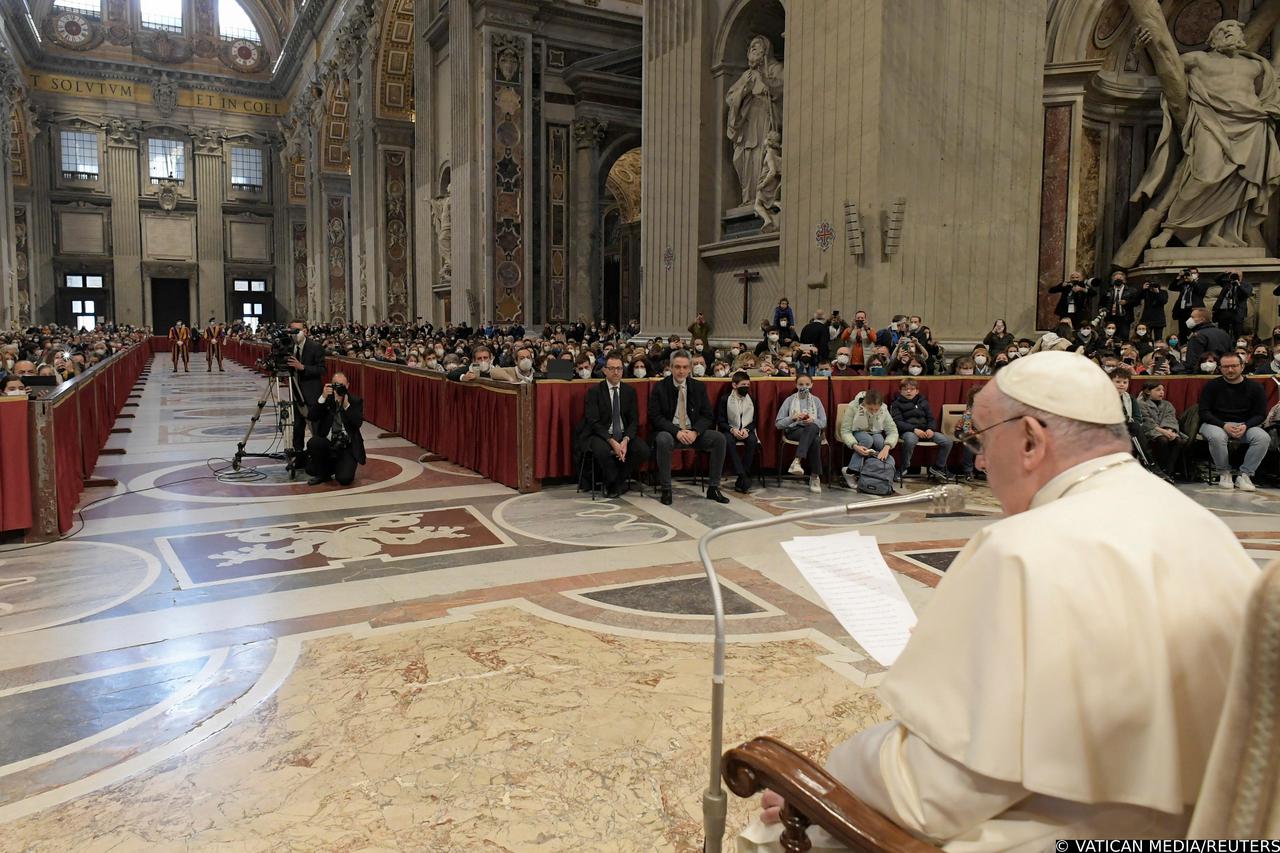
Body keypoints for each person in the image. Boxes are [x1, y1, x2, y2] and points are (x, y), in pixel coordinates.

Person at [740, 350, 1258, 852]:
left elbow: (930, 798)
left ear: (1031, 440)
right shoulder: (1202, 525)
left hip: (1079, 834)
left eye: (982, 441)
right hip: (1203, 830)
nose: (981, 461)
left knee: (777, 832)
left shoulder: (1022, 551)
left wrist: (824, 778)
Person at [648, 349, 730, 506]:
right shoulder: (660, 387)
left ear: (690, 368)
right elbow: (656, 417)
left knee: (719, 438)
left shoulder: (698, 387)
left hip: (693, 433)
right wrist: (676, 432)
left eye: (685, 367)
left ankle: (713, 488)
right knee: (663, 439)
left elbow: (707, 416)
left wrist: (695, 432)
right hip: (670, 432)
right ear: (671, 367)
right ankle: (666, 488)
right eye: (677, 367)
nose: (681, 371)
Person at [1198, 350, 1272, 491]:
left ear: (1242, 366)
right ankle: (1224, 473)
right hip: (1215, 423)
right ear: (1220, 368)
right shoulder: (1211, 386)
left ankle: (1245, 475)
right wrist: (1223, 425)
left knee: (1263, 438)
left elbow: (1260, 414)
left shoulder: (1255, 387)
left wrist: (1246, 425)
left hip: (1245, 425)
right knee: (1217, 437)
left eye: (1234, 366)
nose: (1230, 370)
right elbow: (1204, 412)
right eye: (1225, 367)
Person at [582, 352, 651, 498]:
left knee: (643, 450)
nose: (616, 372)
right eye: (612, 368)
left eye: (619, 368)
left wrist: (625, 440)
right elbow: (593, 421)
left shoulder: (630, 391)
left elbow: (634, 421)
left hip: (624, 434)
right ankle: (612, 481)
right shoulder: (594, 392)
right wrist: (612, 441)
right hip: (601, 435)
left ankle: (617, 480)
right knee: (601, 451)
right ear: (604, 370)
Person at [305, 371, 366, 486]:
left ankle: (337, 466)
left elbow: (358, 423)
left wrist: (347, 406)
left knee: (344, 479)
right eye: (336, 385)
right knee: (315, 442)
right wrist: (322, 397)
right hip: (327, 442)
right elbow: (311, 416)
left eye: (342, 385)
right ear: (331, 385)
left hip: (347, 445)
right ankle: (323, 474)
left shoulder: (355, 401)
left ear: (348, 385)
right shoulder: (326, 400)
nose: (340, 388)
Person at [775, 373, 827, 493]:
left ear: (812, 385)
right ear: (796, 385)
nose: (804, 387)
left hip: (811, 429)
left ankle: (797, 460)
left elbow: (823, 422)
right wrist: (792, 418)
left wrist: (812, 420)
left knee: (814, 433)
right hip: (794, 430)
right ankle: (815, 476)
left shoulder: (816, 401)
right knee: (814, 437)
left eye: (807, 384)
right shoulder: (789, 400)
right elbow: (778, 424)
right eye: (801, 384)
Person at [890, 378, 952, 480]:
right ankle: (904, 467)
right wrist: (914, 429)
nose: (908, 391)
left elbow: (931, 418)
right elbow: (897, 422)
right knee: (910, 440)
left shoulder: (923, 401)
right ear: (901, 391)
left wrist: (930, 429)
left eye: (912, 389)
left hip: (926, 431)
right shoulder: (896, 404)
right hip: (908, 431)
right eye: (905, 389)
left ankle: (938, 467)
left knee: (947, 441)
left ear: (917, 391)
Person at [838, 389, 898, 484]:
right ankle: (851, 471)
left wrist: (887, 447)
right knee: (867, 439)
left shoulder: (884, 408)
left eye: (876, 409)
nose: (874, 412)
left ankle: (875, 474)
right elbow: (845, 431)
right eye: (870, 409)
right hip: (857, 431)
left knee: (880, 442)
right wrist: (855, 446)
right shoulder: (853, 406)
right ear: (864, 403)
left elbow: (893, 431)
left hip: (875, 432)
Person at [285, 320, 326, 459]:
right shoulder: (289, 346)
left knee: (315, 426)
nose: (294, 334)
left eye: (297, 330)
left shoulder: (315, 347)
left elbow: (322, 369)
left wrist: (303, 367)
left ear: (305, 331)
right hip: (295, 391)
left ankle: (318, 456)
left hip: (311, 393)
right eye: (292, 331)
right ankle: (298, 455)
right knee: (297, 426)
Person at [716, 370, 760, 494]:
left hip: (746, 429)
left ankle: (742, 476)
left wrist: (747, 429)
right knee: (728, 441)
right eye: (743, 385)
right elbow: (720, 420)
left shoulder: (752, 400)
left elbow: (755, 420)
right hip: (730, 429)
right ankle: (742, 475)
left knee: (752, 440)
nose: (746, 388)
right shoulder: (725, 399)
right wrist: (732, 429)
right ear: (734, 385)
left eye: (747, 385)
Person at [1137, 381, 1189, 479]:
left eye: (1162, 390)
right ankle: (1159, 470)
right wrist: (1164, 432)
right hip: (1149, 430)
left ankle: (1168, 471)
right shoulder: (1141, 404)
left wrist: (1170, 430)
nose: (1161, 392)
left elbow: (1171, 418)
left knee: (1178, 440)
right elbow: (1146, 421)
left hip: (1167, 430)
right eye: (1158, 390)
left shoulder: (1167, 404)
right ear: (1148, 391)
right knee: (1162, 440)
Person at [1182, 307, 1232, 373]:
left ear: (1202, 319)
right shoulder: (1224, 333)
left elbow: (1192, 361)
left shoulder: (1198, 336)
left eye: (1193, 317)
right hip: (1222, 372)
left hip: (1202, 373)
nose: (1190, 319)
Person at [1211, 271, 1252, 341]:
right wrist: (1225, 273)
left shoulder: (1246, 285)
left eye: (1237, 275)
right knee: (1222, 333)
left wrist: (1239, 285)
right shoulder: (1227, 283)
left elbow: (1247, 294)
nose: (1235, 277)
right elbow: (1216, 279)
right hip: (1224, 311)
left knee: (1237, 334)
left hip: (1237, 312)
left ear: (1241, 277)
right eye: (1233, 275)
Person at [1170, 267, 1209, 339]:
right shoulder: (1184, 284)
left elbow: (1201, 291)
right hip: (1183, 310)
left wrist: (1192, 281)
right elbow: (1172, 287)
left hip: (1195, 310)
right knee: (1183, 331)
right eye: (1190, 273)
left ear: (1198, 274)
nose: (1191, 274)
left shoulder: (1202, 283)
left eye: (1194, 273)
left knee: (1194, 330)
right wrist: (1178, 277)